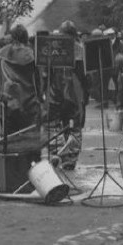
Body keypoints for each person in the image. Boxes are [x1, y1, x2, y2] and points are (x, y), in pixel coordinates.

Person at [48, 20, 89, 170]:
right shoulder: (57, 49)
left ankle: (69, 159)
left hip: (72, 93)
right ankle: (61, 156)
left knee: (73, 126)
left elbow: (82, 74)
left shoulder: (78, 49)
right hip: (61, 92)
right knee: (62, 125)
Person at [0, 24, 41, 141]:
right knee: (29, 139)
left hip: (8, 100)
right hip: (29, 102)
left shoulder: (2, 53)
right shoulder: (33, 54)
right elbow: (38, 80)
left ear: (12, 37)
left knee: (8, 140)